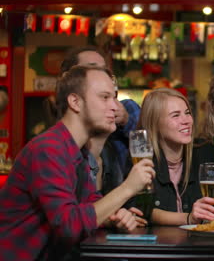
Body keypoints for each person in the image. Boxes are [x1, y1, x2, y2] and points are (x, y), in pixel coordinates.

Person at [0, 66, 155, 261]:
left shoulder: (75, 150)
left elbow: (90, 204)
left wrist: (113, 217)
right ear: (75, 102)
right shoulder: (48, 149)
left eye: (114, 98)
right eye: (105, 97)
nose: (115, 106)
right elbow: (69, 226)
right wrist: (128, 188)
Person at [134, 88, 214, 225]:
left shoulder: (206, 152)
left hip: (200, 242)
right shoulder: (142, 159)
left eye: (187, 113)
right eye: (175, 115)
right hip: (158, 244)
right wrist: (189, 218)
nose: (186, 120)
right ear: (155, 123)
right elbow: (141, 209)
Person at [59, 46, 141, 170]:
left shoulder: (127, 108)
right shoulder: (57, 145)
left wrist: (126, 120)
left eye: (104, 69)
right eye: (92, 68)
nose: (102, 74)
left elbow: (155, 145)